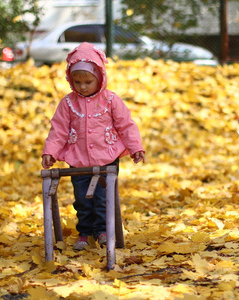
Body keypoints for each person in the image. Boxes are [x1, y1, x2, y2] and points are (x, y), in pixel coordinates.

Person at [41, 42, 145, 250]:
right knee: (81, 200)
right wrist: (50, 152)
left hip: (107, 157)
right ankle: (85, 232)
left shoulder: (111, 100)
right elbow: (59, 130)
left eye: (88, 81)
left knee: (103, 198)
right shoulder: (68, 103)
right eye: (77, 82)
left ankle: (103, 231)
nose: (82, 86)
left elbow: (126, 125)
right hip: (78, 160)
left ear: (100, 77)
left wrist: (135, 147)